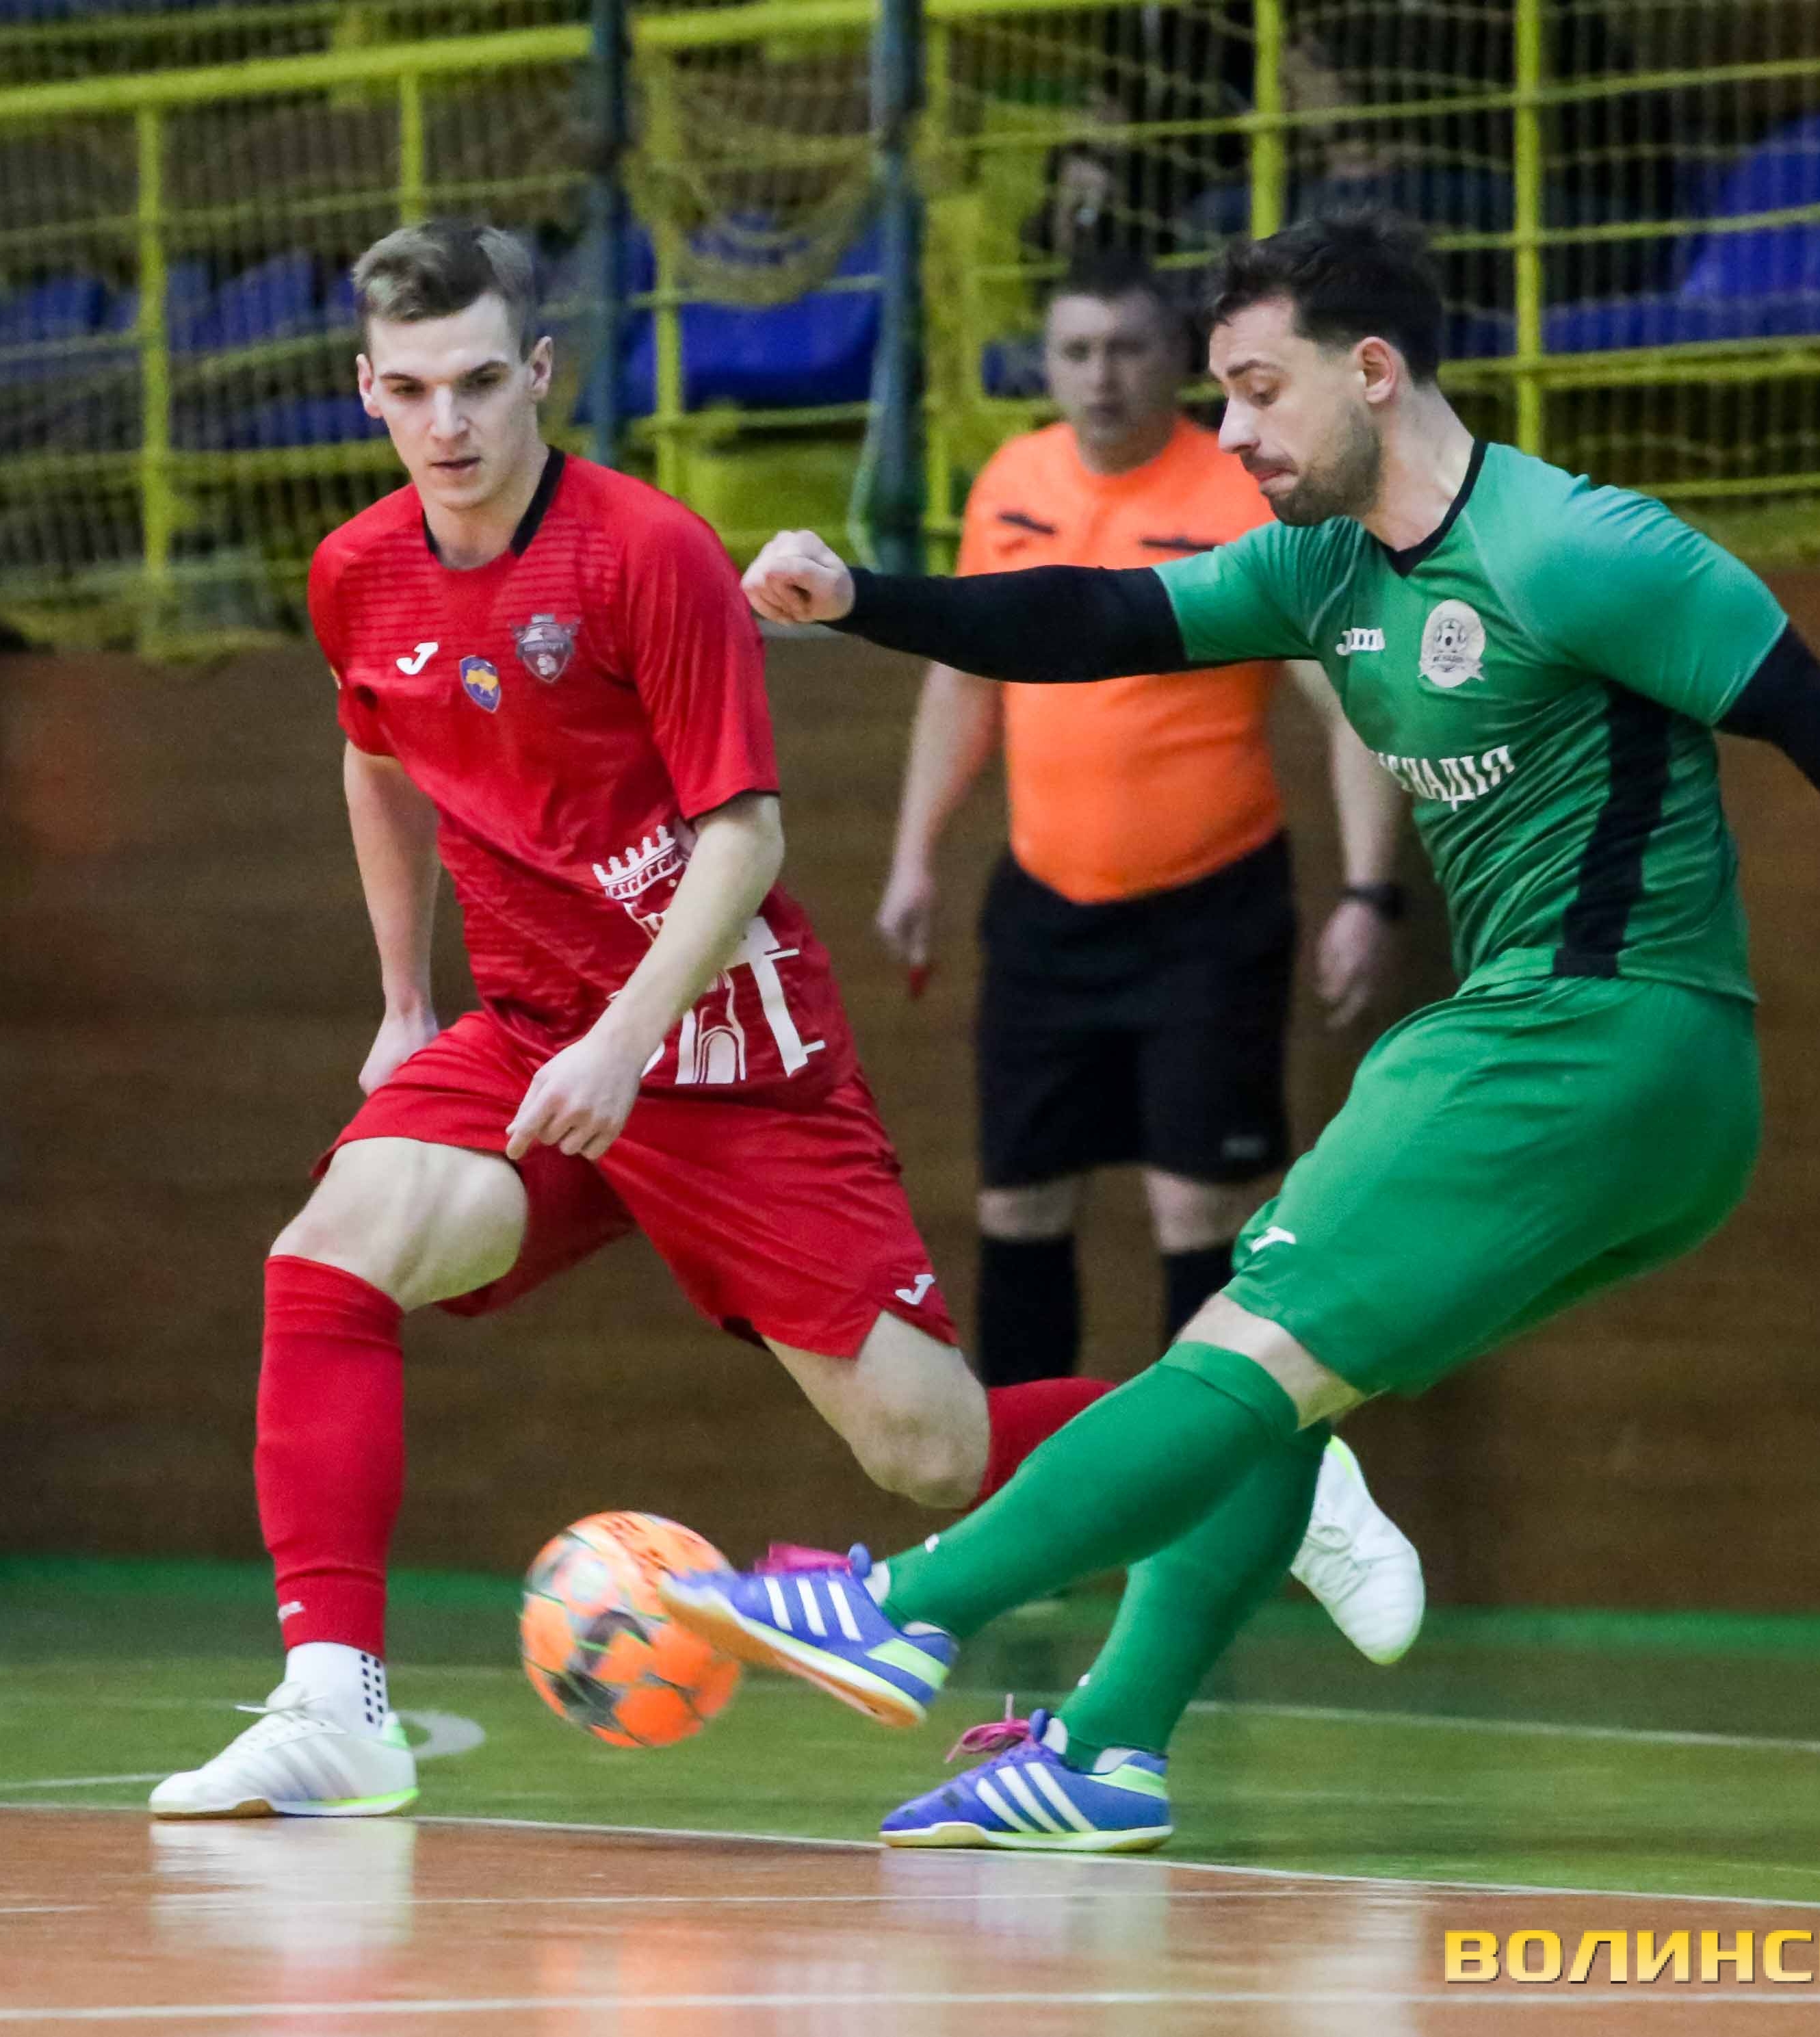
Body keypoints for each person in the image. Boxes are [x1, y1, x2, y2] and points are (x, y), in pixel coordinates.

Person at [668, 211, 1820, 1853]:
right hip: (1625, 1089)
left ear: (1371, 370)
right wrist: (864, 600)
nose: (1232, 433)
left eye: (1256, 390)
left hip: (1590, 1035)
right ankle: (1108, 1746)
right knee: (1283, 1382)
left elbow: (1815, 710)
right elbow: (1095, 624)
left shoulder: (1575, 547)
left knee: (1239, 1351)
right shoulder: (1321, 566)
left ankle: (900, 1608)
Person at [146, 221, 1420, 1823]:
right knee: (329, 1254)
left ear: (538, 372)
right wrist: (408, 1000)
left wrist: (624, 1043)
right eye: (410, 392)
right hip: (535, 1028)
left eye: (477, 382)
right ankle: (335, 1706)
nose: (447, 424)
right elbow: (377, 756)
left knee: (929, 1451)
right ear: (365, 391)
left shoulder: (646, 553)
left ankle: (1265, 1450)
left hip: (720, 1049)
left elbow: (743, 840)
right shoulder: (357, 571)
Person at [887, 249, 1424, 1659]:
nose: (1102, 374)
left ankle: (1202, 1526)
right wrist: (914, 852)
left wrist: (1368, 889)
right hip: (1043, 908)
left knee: (1198, 1215)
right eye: (1075, 350)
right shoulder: (1010, 482)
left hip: (1207, 911)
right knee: (1019, 1207)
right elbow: (965, 676)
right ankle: (1020, 1531)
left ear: (1171, 361)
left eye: (1127, 348)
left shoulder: (1238, 488)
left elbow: (1346, 695)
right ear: (1047, 365)